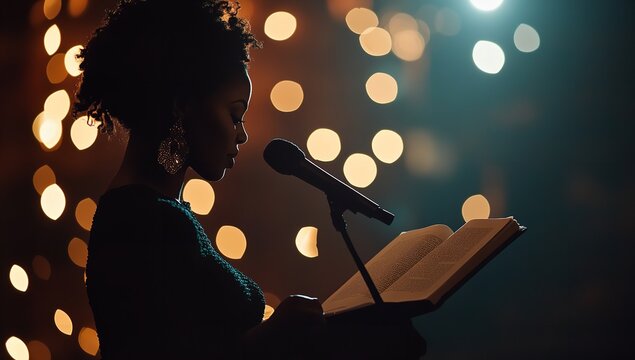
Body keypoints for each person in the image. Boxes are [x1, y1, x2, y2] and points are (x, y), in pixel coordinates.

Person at [75, 0, 425, 358]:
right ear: (182, 105)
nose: (241, 135)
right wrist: (273, 336)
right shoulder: (140, 221)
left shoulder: (152, 213)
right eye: (234, 114)